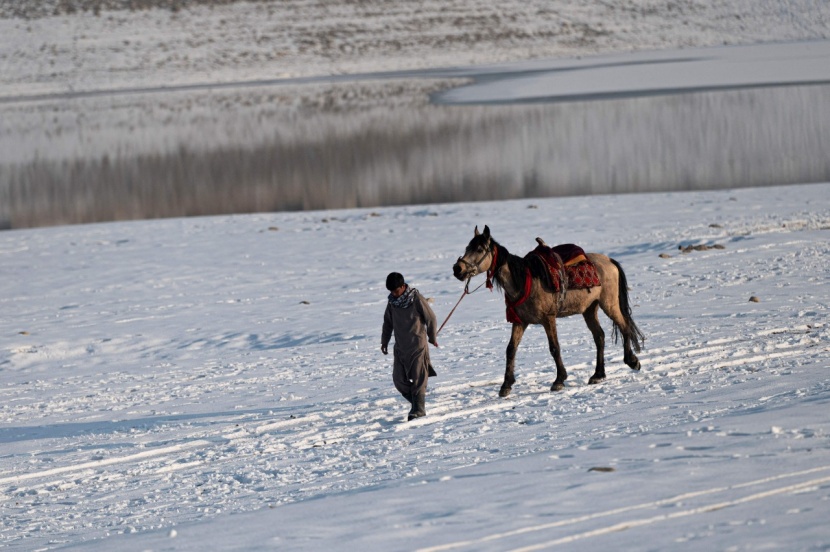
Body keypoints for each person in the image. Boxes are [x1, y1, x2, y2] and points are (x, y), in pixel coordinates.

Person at [381, 272, 439, 421]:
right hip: (400, 347)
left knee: (419, 378)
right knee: (398, 380)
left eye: (395, 290)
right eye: (391, 292)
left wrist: (432, 337)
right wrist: (384, 341)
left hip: (417, 345)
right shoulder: (392, 302)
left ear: (403, 286)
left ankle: (419, 409)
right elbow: (388, 323)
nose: (393, 294)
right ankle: (416, 403)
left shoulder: (416, 299)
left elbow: (430, 318)